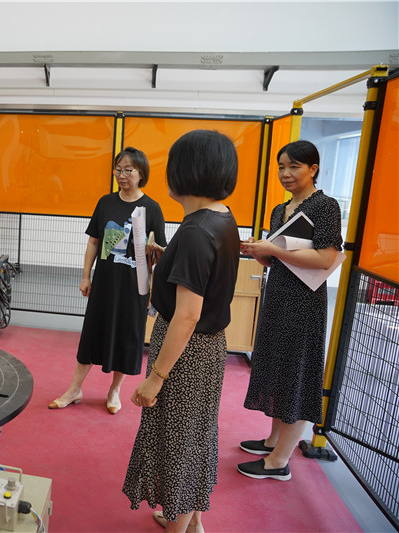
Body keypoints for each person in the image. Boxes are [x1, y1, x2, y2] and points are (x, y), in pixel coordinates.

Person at [123, 130, 240, 533]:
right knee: (194, 436)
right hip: (208, 348)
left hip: (184, 354)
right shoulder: (221, 218)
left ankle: (180, 524)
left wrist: (156, 376)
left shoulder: (194, 232)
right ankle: (192, 520)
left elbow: (187, 316)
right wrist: (168, 257)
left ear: (185, 171)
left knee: (177, 443)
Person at [238, 140, 342, 481]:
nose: (285, 173)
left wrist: (273, 250)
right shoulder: (279, 208)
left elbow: (326, 257)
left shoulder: (325, 206)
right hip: (278, 298)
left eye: (294, 166)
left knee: (296, 374)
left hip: (305, 304)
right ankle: (272, 441)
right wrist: (259, 252)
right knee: (277, 369)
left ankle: (279, 461)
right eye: (281, 167)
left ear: (313, 169)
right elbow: (275, 260)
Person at [48, 147, 166, 414]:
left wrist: (154, 288)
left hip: (135, 288)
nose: (121, 175)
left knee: (125, 337)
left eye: (128, 170)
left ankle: (114, 391)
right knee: (91, 335)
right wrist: (85, 275)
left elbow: (159, 253)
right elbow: (93, 241)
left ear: (141, 173)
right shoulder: (105, 202)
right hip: (104, 284)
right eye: (118, 169)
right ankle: (74, 389)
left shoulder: (152, 208)